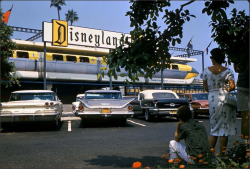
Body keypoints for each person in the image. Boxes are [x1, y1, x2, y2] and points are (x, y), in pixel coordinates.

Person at [202, 48, 237, 156]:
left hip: (213, 98)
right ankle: (222, 155)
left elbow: (206, 88)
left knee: (214, 128)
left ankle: (207, 155)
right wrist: (226, 89)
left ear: (213, 59)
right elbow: (232, 86)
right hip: (224, 98)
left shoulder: (206, 71)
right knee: (224, 129)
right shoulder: (228, 71)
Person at [233, 56, 249, 138]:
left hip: (243, 84)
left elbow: (236, 69)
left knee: (245, 118)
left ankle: (246, 144)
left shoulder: (239, 52)